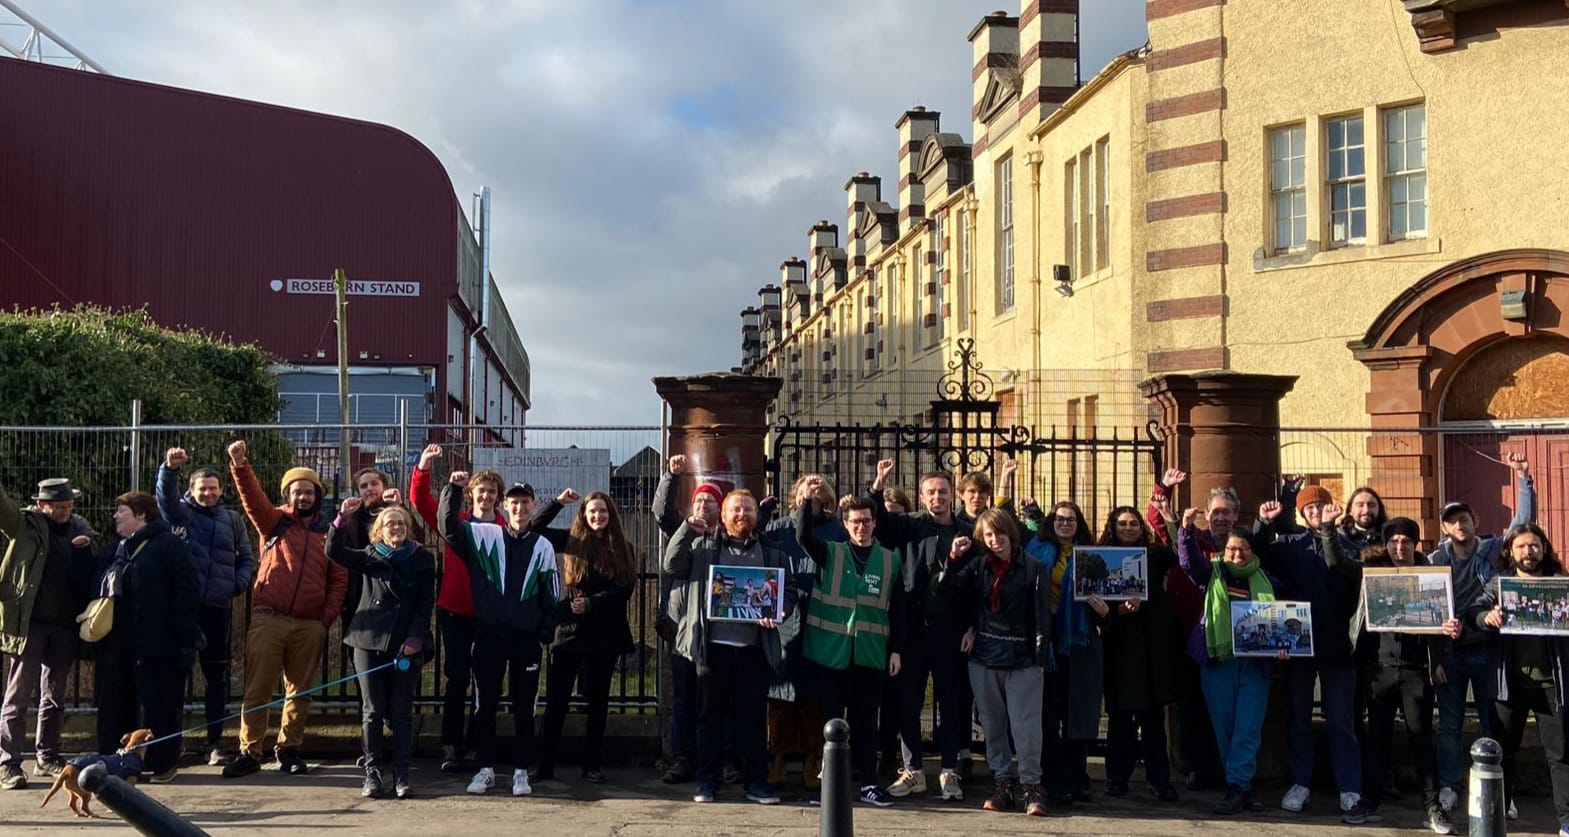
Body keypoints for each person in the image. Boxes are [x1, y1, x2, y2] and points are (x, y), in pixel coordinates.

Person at [1323, 515, 1457, 835]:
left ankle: (1432, 806)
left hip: (1416, 671)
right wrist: (1328, 530)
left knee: (1422, 737)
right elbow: (1336, 563)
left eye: (1406, 542)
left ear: (1416, 544)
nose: (1400, 547)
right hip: (1378, 669)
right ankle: (1369, 801)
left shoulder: (1431, 576)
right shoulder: (1372, 573)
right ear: (1386, 545)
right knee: (1376, 739)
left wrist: (1446, 638)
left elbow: (1445, 622)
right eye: (1394, 542)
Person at [222, 439, 348, 779]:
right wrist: (240, 464)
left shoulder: (328, 533)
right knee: (258, 688)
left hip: (309, 624)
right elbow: (251, 498)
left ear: (317, 496)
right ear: (287, 494)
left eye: (309, 491)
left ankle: (289, 749)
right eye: (296, 491)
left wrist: (325, 620)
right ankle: (250, 751)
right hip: (268, 619)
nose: (303, 497)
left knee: (299, 692)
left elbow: (339, 579)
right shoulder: (274, 521)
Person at [664, 489, 795, 806]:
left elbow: (788, 592)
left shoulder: (772, 551)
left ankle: (756, 782)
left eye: (748, 510)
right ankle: (708, 781)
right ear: (722, 516)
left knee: (752, 719)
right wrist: (686, 529)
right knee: (709, 717)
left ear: (756, 515)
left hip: (754, 649)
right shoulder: (704, 547)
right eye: (735, 510)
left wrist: (779, 611)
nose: (742, 515)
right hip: (713, 649)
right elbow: (671, 566)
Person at [438, 466, 561, 798]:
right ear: (505, 507)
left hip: (525, 640)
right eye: (514, 502)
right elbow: (448, 529)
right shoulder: (483, 535)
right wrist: (451, 490)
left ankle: (521, 771)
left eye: (525, 502)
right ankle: (486, 769)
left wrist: (544, 631)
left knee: (524, 708)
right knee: (485, 706)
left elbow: (552, 593)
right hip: (489, 636)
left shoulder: (543, 547)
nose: (520, 508)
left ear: (534, 506)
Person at [1430, 452, 1534, 815]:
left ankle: (1500, 791)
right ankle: (1448, 787)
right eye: (1452, 521)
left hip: (1489, 651)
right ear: (1445, 528)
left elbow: (1523, 522)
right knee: (1450, 726)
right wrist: (1438, 655)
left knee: (1494, 723)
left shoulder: (1492, 551)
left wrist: (1523, 478)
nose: (1459, 525)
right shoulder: (1433, 562)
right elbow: (1423, 611)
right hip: (1451, 654)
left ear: (1475, 521)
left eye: (1464, 518)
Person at [1258, 484, 1369, 822]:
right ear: (1302, 514)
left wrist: (1329, 532)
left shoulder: (1349, 543)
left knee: (1341, 721)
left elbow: (1343, 571)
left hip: (1338, 645)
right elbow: (1257, 557)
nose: (1316, 512)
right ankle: (1300, 783)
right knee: (1299, 720)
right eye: (1310, 509)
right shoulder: (1289, 545)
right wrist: (1264, 524)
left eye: (1321, 506)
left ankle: (1350, 788)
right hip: (1297, 645)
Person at [867, 460, 973, 801]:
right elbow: (878, 522)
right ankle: (913, 770)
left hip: (951, 629)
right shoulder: (910, 525)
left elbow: (977, 584)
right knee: (907, 704)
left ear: (952, 495)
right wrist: (878, 485)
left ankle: (948, 771)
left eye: (943, 491)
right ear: (923, 497)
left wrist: (972, 625)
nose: (937, 497)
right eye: (930, 492)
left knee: (951, 703)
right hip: (912, 628)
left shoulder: (968, 530)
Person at [936, 509, 1050, 816]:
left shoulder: (1033, 568)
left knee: (1025, 728)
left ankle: (1031, 785)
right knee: (993, 724)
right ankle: (1003, 782)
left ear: (1010, 534)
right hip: (985, 654)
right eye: (988, 535)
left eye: (999, 534)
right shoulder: (978, 567)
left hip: (1022, 657)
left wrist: (1039, 658)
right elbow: (945, 590)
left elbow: (1041, 617)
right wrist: (953, 558)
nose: (995, 540)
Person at [796, 493, 906, 808]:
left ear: (875, 523)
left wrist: (897, 649)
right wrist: (806, 505)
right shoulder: (830, 552)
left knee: (866, 723)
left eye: (867, 521)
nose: (861, 526)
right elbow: (803, 535)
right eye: (855, 521)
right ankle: (830, 786)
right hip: (831, 654)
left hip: (870, 655)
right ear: (845, 524)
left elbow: (898, 611)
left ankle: (869, 784)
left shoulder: (890, 560)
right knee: (830, 722)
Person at [1179, 505, 1284, 815]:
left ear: (1252, 552)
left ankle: (1237, 785)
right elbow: (1188, 562)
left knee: (1248, 726)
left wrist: (1283, 644)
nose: (1237, 556)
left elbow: (1283, 621)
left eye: (1243, 550)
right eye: (1232, 550)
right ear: (1223, 551)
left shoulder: (1268, 581)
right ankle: (1241, 786)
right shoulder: (1209, 573)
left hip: (1255, 664)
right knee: (1224, 725)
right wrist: (1186, 529)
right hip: (1218, 659)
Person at [327, 500, 435, 800]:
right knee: (372, 710)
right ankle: (372, 774)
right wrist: (341, 519)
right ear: (379, 531)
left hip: (406, 644)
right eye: (390, 524)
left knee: (401, 712)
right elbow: (333, 552)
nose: (396, 528)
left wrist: (415, 639)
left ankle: (402, 774)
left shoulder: (422, 558)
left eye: (400, 523)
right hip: (368, 641)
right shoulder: (370, 555)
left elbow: (426, 603)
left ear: (407, 528)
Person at [91, 491, 202, 782]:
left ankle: (163, 762)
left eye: (122, 511)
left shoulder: (170, 546)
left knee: (160, 705)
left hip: (158, 645)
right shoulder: (114, 549)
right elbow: (92, 588)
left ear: (141, 515)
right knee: (115, 703)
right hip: (116, 646)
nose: (115, 516)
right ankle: (116, 762)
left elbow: (187, 593)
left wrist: (185, 641)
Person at [155, 447, 256, 766]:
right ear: (192, 491)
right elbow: (165, 502)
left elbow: (247, 558)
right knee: (176, 675)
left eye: (213, 488)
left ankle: (214, 742)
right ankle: (171, 742)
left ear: (221, 490)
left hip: (218, 608)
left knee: (218, 677)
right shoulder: (181, 515)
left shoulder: (233, 519)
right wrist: (168, 470)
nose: (209, 493)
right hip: (183, 610)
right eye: (203, 489)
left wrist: (236, 584)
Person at [1470, 523, 1569, 837]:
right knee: (1502, 753)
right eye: (1522, 546)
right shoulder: (1500, 584)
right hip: (1508, 684)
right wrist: (1487, 617)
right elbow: (1473, 610)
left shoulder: (1560, 585)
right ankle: (1498, 813)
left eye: (1535, 545)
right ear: (1510, 552)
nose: (1529, 551)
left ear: (1544, 548)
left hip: (1552, 684)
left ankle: (1566, 819)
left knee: (1562, 754)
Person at [0, 478, 97, 790]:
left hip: (65, 626)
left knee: (55, 695)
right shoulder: (26, 525)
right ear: (42, 505)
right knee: (18, 696)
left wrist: (84, 552)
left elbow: (89, 575)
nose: (65, 512)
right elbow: (4, 512)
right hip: (31, 625)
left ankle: (48, 756)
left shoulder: (81, 530)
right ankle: (8, 764)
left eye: (69, 506)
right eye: (58, 507)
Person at [535, 491, 637, 785]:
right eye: (592, 511)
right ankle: (545, 765)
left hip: (605, 635)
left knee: (598, 703)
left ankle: (591, 764)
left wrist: (593, 604)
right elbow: (536, 528)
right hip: (569, 635)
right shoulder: (572, 541)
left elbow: (625, 589)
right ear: (583, 515)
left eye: (602, 511)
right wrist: (557, 503)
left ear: (610, 515)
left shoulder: (623, 547)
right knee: (556, 702)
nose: (597, 517)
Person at [759, 474, 844, 791]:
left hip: (822, 615)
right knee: (780, 692)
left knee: (814, 692)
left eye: (819, 487)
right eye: (806, 487)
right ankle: (778, 756)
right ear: (795, 496)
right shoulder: (779, 527)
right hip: (783, 616)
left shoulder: (837, 530)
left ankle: (813, 758)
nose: (813, 489)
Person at [410, 443, 491, 774]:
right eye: (480, 491)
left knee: (486, 682)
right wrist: (424, 466)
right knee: (457, 679)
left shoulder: (504, 524)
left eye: (491, 492)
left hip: (490, 615)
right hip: (455, 612)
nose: (485, 496)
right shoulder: (454, 523)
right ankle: (451, 746)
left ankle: (477, 744)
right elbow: (420, 502)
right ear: (470, 495)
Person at [1096, 504, 1181, 802]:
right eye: (1122, 524)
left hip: (1151, 647)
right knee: (1119, 720)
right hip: (1119, 646)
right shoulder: (1101, 557)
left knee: (1153, 721)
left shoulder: (1155, 554)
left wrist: (1170, 519)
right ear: (1113, 527)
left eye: (1133, 524)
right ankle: (1117, 778)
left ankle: (1160, 780)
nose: (1129, 528)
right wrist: (1115, 612)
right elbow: (1095, 606)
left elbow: (1179, 553)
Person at [1146, 469, 1225, 792]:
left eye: (1227, 513)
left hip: (1225, 636)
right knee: (1190, 705)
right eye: (1216, 512)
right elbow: (1157, 517)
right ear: (1207, 514)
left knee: (1221, 706)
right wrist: (1164, 487)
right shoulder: (1193, 538)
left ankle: (1223, 767)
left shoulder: (1240, 545)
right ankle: (1193, 766)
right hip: (1187, 630)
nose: (1221, 518)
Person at [1021, 499, 1099, 806]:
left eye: (1071, 520)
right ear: (1051, 522)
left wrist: (1104, 611)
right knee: (1047, 713)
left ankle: (1078, 776)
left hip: (1079, 640)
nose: (1065, 524)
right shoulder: (1037, 549)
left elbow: (1107, 593)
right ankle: (1056, 778)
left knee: (1077, 711)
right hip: (1046, 637)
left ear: (1079, 524)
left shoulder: (1091, 555)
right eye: (1060, 519)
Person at [651, 454, 722, 784]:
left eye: (711, 500)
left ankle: (719, 759)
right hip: (682, 630)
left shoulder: (725, 538)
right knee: (683, 699)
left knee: (717, 699)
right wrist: (671, 476)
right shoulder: (681, 531)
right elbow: (661, 512)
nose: (704, 504)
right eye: (700, 499)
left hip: (718, 631)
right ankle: (682, 758)